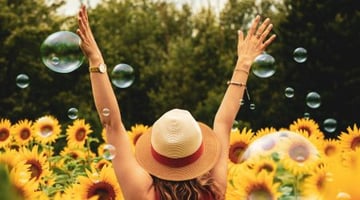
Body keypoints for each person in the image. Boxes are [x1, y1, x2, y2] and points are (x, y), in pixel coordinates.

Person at [77, 4, 275, 200]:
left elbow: (112, 124)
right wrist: (244, 63)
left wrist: (96, 61)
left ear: (155, 153)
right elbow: (224, 121)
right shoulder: (214, 190)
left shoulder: (142, 194)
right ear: (200, 153)